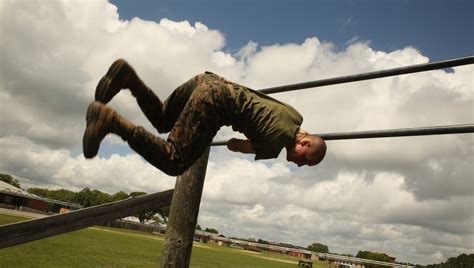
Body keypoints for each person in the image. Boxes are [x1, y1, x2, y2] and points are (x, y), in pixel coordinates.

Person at [83, 59, 327, 176]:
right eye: (305, 160)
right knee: (174, 161)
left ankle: (129, 79)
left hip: (209, 81)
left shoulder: (296, 115)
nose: (299, 164)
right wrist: (249, 143)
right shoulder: (273, 147)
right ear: (304, 142)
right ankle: (111, 121)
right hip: (216, 102)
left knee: (164, 120)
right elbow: (234, 146)